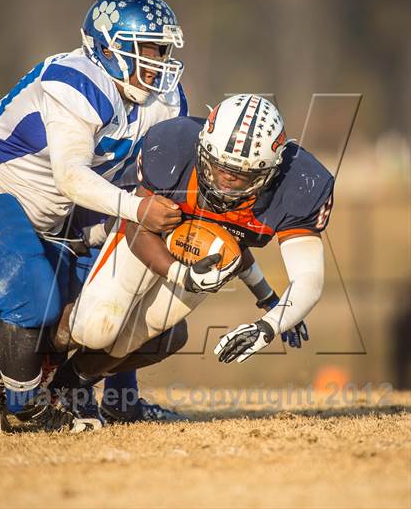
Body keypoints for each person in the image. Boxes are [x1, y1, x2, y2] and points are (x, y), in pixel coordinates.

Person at [49, 94, 332, 408]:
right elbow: (138, 226)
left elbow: (307, 278)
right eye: (221, 168)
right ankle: (27, 370)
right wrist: (179, 273)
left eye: (241, 177)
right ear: (203, 147)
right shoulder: (174, 146)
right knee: (95, 326)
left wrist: (269, 323)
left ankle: (62, 394)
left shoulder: (301, 184)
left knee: (132, 337)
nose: (225, 184)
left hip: (203, 262)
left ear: (270, 171)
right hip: (148, 238)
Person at [0, 0, 186, 433]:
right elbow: (71, 177)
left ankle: (115, 401)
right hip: (2, 197)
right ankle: (25, 411)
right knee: (34, 297)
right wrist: (137, 209)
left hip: (61, 218)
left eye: (163, 50)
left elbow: (159, 178)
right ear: (109, 47)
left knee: (138, 300)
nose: (159, 62)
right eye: (148, 50)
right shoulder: (74, 79)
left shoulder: (162, 100)